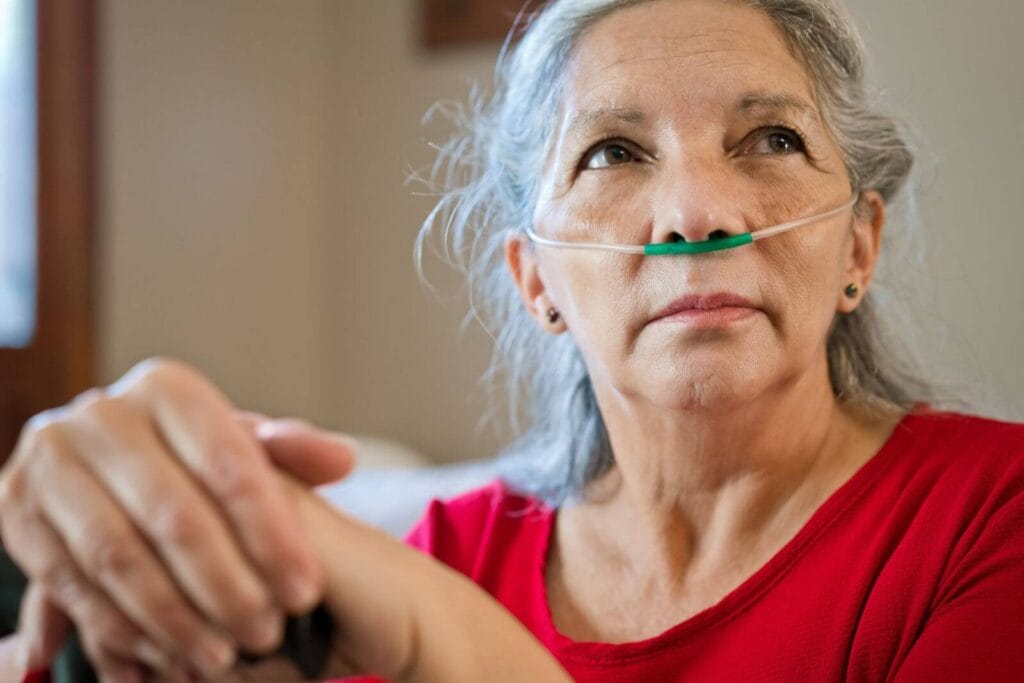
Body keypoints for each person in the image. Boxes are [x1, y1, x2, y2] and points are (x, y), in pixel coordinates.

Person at [2, 0, 1023, 680]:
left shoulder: (994, 517)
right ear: (536, 281)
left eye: (771, 139)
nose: (696, 214)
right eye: (612, 152)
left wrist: (430, 633)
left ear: (858, 243)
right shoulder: (450, 550)